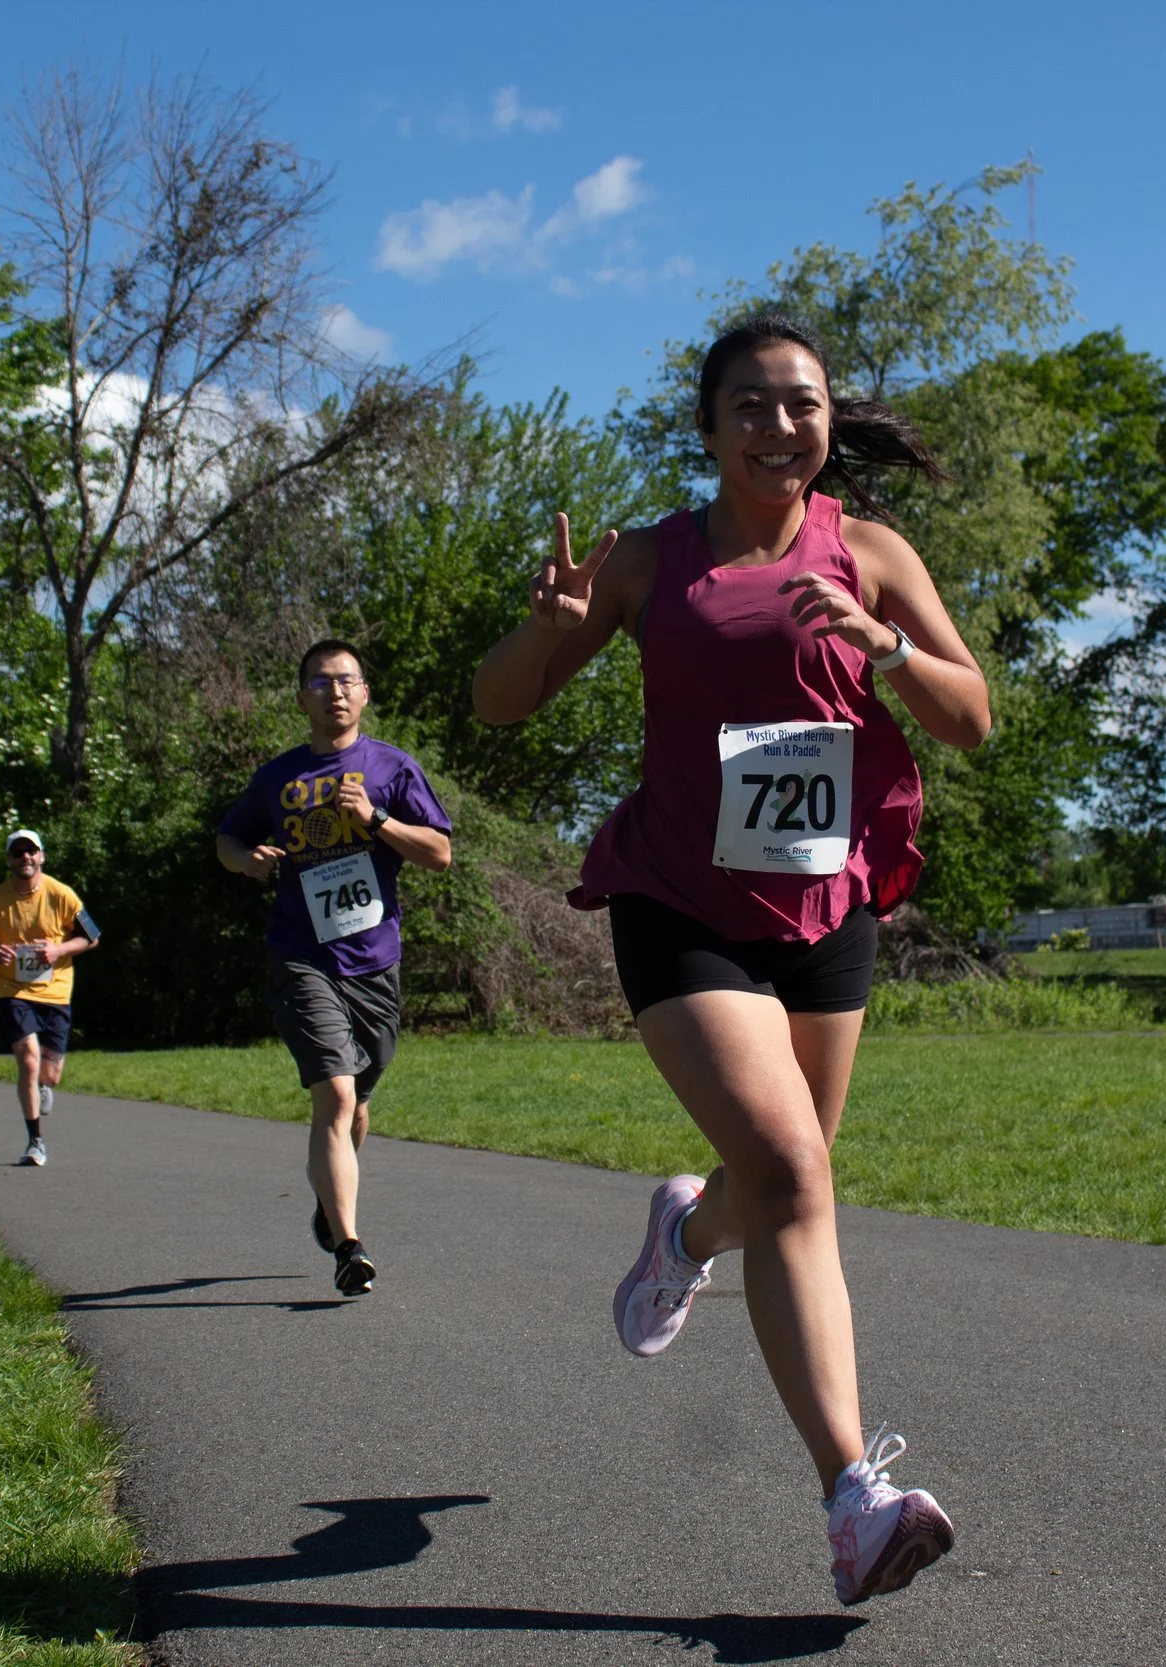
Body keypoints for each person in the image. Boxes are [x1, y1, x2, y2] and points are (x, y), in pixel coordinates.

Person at [471, 315, 993, 1606]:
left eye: (803, 405)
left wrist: (885, 649)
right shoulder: (653, 561)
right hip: (679, 897)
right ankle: (854, 1497)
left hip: (825, 905)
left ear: (831, 419)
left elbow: (973, 715)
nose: (780, 427)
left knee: (777, 1184)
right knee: (794, 1169)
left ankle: (684, 1233)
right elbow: (500, 702)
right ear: (707, 428)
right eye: (750, 406)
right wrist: (547, 628)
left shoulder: (870, 553)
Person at [216, 640, 454, 1297]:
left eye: (346, 680)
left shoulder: (391, 768)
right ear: (302, 698)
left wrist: (374, 818)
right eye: (320, 683)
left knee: (359, 1101)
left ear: (365, 693)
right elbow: (226, 838)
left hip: (375, 960)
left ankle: (332, 1192)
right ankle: (349, 1247)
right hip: (302, 953)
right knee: (337, 1092)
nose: (335, 692)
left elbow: (439, 852)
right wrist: (248, 859)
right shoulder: (279, 778)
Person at [0, 830, 100, 1166]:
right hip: (13, 989)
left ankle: (42, 1087)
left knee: (50, 1074)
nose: (25, 858)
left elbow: (91, 937)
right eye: (17, 853)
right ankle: (35, 1141)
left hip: (56, 990)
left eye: (31, 852)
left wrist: (58, 950)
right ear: (8, 860)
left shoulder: (61, 894)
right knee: (27, 1058)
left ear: (41, 856)